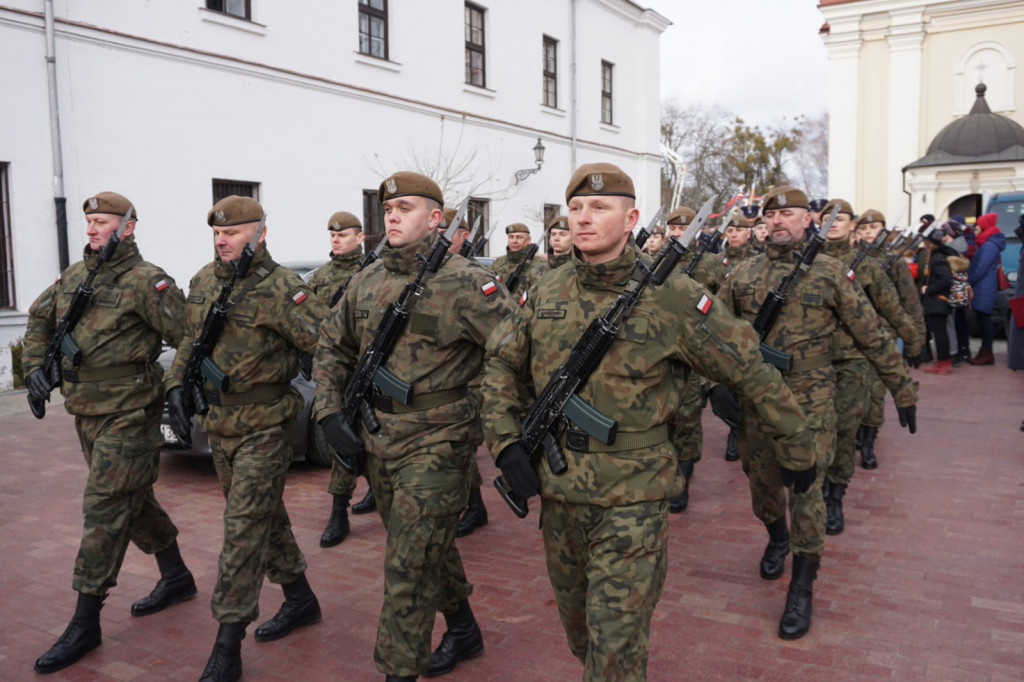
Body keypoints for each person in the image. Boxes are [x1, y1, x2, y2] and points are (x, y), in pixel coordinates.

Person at [483, 163, 813, 678]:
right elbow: (500, 365)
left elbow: (750, 367)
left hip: (632, 501)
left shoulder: (673, 296)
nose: (583, 219)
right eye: (575, 209)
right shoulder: (545, 291)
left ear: (631, 216)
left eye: (599, 207)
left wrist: (796, 445)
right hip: (560, 494)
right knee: (582, 639)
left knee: (614, 653)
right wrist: (506, 443)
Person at [314, 172, 513, 681]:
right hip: (379, 438)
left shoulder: (469, 282)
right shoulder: (367, 278)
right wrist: (331, 413)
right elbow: (332, 348)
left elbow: (517, 354)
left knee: (406, 569)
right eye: (388, 208)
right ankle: (465, 629)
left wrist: (499, 426)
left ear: (436, 218)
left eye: (406, 206)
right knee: (426, 548)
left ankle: (397, 671)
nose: (393, 216)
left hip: (440, 443)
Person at [720, 186, 918, 641]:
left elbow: (871, 336)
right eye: (770, 215)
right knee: (762, 488)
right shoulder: (743, 274)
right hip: (757, 399)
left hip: (811, 399)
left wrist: (902, 389)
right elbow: (716, 338)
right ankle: (777, 536)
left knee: (807, 491)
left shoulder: (830, 274)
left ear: (808, 219)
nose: (778, 222)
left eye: (787, 214)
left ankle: (802, 586)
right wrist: (717, 386)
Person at [23, 192, 196, 675]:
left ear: (128, 227)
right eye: (89, 222)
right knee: (131, 500)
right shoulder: (75, 277)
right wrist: (36, 367)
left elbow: (190, 337)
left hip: (130, 413)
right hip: (87, 412)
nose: (92, 229)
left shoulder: (148, 281)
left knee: (104, 508)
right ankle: (177, 576)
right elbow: (38, 319)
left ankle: (85, 621)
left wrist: (179, 388)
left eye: (102, 221)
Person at [166, 196, 326, 682]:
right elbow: (191, 341)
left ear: (260, 233)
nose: (222, 240)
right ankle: (300, 599)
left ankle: (227, 642)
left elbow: (329, 347)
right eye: (217, 232)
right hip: (221, 426)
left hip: (266, 428)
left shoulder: (284, 290)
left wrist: (338, 409)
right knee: (263, 518)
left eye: (233, 232)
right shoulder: (202, 280)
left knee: (241, 532)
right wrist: (175, 383)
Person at [820, 199, 921, 534]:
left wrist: (915, 340)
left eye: (841, 218)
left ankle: (834, 496)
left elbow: (893, 308)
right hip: (809, 364)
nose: (832, 223)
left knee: (844, 432)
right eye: (826, 218)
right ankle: (814, 489)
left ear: (852, 225)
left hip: (853, 361)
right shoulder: (804, 263)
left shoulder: (865, 267)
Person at [309, 211, 377, 547]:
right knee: (342, 440)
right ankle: (338, 513)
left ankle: (376, 491)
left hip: (367, 369)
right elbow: (307, 321)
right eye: (332, 235)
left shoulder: (373, 273)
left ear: (360, 238)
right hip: (336, 370)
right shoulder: (319, 277)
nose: (336, 240)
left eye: (343, 235)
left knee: (375, 437)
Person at [855, 209, 926, 469]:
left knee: (876, 390)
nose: (867, 232)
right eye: (863, 228)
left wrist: (915, 339)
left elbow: (910, 303)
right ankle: (855, 433)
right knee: (853, 388)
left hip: (885, 332)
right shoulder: (849, 259)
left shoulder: (893, 262)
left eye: (873, 227)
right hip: (853, 333)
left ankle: (868, 441)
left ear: (883, 230)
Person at [920, 225, 969, 374]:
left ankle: (943, 363)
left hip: (938, 299)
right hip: (940, 300)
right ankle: (944, 361)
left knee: (940, 332)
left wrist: (928, 289)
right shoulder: (941, 254)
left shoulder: (938, 257)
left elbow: (945, 280)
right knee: (940, 331)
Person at [967, 212, 1006, 366]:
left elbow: (981, 267)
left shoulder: (989, 244)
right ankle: (985, 351)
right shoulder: (986, 242)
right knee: (982, 318)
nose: (976, 228)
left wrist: (969, 280)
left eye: (978, 226)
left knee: (984, 319)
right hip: (983, 285)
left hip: (984, 286)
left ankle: (987, 351)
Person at [489, 223, 545, 300]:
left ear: (528, 240)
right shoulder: (496, 264)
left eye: (519, 237)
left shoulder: (541, 264)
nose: (514, 241)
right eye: (511, 237)